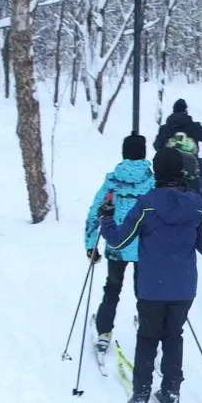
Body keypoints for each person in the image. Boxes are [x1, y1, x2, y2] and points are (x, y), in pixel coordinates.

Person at [98, 147, 202, 403]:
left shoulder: (147, 202)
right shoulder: (195, 203)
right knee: (174, 336)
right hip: (183, 287)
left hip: (151, 286)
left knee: (148, 336)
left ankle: (140, 394)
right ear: (181, 171)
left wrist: (106, 218)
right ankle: (171, 392)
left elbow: (119, 240)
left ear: (158, 171)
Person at [84, 133, 155, 357]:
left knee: (112, 289)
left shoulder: (113, 181)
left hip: (117, 245)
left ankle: (104, 332)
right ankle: (148, 331)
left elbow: (95, 211)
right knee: (144, 292)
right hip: (145, 248)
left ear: (124, 153)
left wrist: (90, 244)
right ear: (144, 153)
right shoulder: (153, 181)